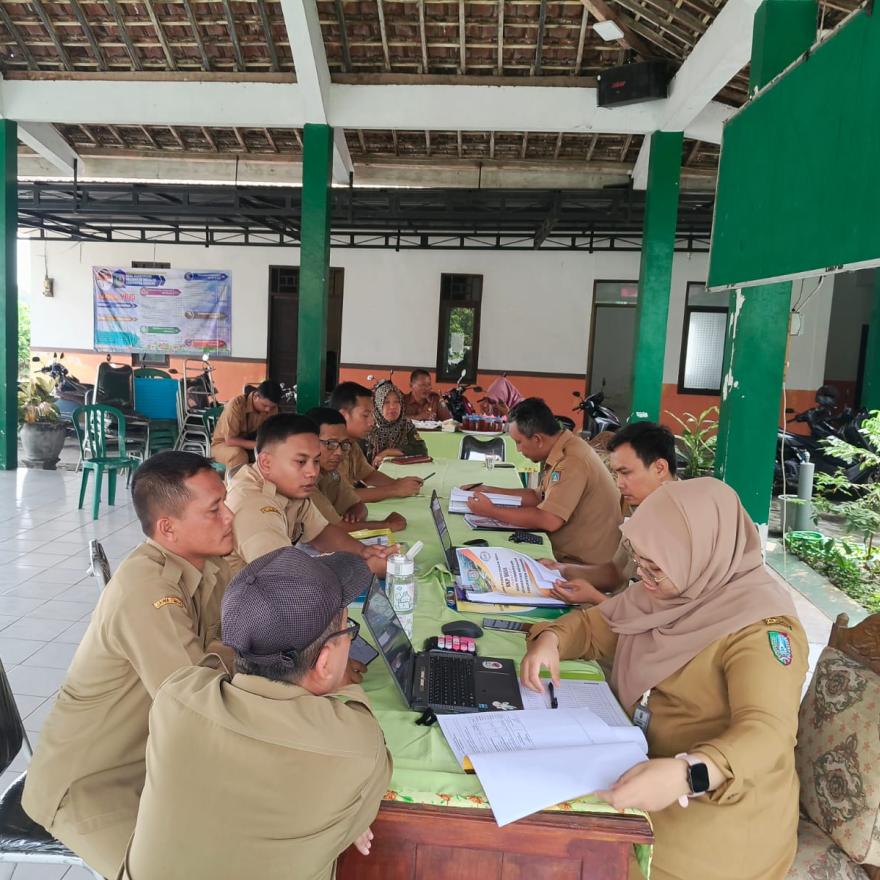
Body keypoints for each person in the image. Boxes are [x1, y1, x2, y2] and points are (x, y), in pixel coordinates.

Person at [520, 478, 807, 880]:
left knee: (568, 849)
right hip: (643, 765)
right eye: (641, 564)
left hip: (717, 807)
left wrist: (688, 773)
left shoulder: (763, 630)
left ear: (703, 555)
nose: (645, 578)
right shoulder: (671, 592)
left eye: (656, 568)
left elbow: (767, 733)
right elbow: (596, 625)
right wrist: (550, 639)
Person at [119, 547, 393, 880]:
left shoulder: (177, 698)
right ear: (323, 663)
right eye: (348, 631)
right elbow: (355, 820)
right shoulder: (356, 746)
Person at [22, 452, 235, 877]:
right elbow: (195, 706)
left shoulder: (206, 565)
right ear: (168, 528)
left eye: (224, 502)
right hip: (91, 782)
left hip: (153, 759)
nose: (229, 516)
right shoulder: (147, 589)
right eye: (214, 509)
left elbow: (241, 632)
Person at [224, 413, 393, 579]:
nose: (312, 472)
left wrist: (364, 551)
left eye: (316, 461)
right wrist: (366, 569)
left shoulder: (290, 488)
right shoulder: (253, 507)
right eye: (301, 462)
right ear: (266, 463)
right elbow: (284, 578)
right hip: (243, 601)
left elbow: (321, 533)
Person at [466, 397, 622, 565]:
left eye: (519, 442)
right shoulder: (563, 448)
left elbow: (549, 520)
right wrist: (488, 489)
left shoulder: (572, 461)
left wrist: (491, 511)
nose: (518, 450)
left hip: (585, 566)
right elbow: (538, 497)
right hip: (570, 554)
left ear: (537, 439)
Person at [546, 421, 678, 605]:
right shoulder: (644, 511)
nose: (619, 483)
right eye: (617, 474)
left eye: (626, 473)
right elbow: (615, 572)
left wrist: (594, 598)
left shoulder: (680, 522)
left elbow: (661, 616)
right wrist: (558, 569)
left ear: (659, 468)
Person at [305, 407, 408, 534]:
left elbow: (359, 505)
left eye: (344, 444)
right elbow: (335, 528)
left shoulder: (331, 473)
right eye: (330, 444)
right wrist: (387, 525)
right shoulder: (305, 481)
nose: (339, 452)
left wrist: (354, 513)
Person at [329, 382, 423, 503]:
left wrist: (397, 483)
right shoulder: (330, 449)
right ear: (343, 416)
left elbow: (368, 475)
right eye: (365, 415)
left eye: (372, 415)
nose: (372, 422)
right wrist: (394, 489)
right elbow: (342, 496)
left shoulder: (350, 444)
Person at [210, 380, 282, 471]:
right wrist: (258, 445)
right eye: (264, 405)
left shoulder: (272, 408)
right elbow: (230, 441)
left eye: (272, 407)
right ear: (256, 396)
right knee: (239, 455)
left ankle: (263, 485)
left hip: (248, 444)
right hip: (222, 445)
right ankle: (237, 485)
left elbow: (271, 432)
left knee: (273, 455)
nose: (268, 410)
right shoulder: (236, 405)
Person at [364, 380, 429, 466]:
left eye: (397, 401)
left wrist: (387, 452)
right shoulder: (368, 426)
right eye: (386, 402)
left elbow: (421, 450)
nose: (392, 407)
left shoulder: (406, 426)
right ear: (378, 404)